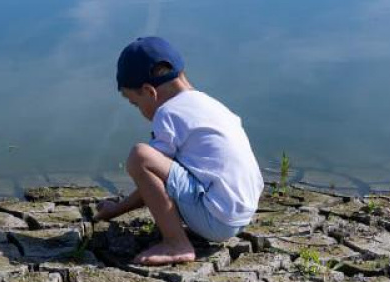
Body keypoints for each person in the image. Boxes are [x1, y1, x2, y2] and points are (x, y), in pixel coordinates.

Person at [95, 36, 265, 266]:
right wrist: (118, 208)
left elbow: (150, 172)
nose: (139, 111)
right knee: (162, 162)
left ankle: (176, 244)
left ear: (149, 91)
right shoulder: (210, 105)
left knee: (140, 156)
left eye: (135, 103)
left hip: (216, 219)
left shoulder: (168, 113)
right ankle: (185, 233)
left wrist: (117, 209)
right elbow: (165, 177)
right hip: (242, 213)